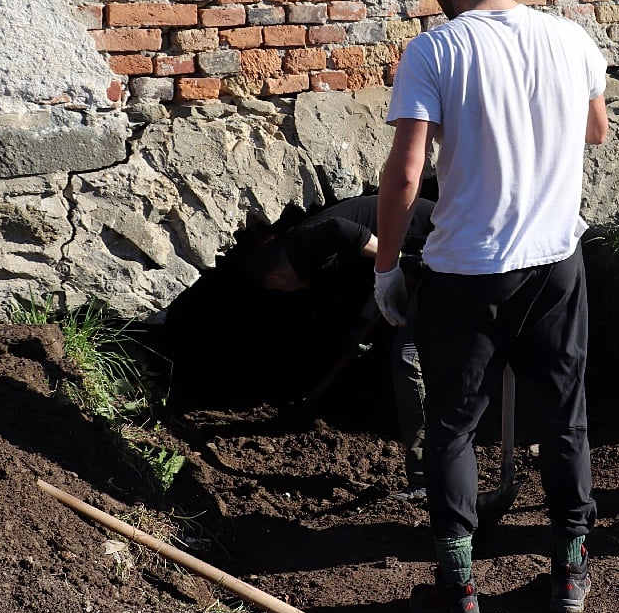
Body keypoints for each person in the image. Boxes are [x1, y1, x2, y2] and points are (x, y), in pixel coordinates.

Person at [371, 0, 610, 613]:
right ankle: (569, 572)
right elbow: (597, 130)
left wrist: (385, 268)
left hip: (469, 270)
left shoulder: (436, 51)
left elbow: (406, 175)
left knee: (451, 427)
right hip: (555, 261)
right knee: (564, 420)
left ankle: (461, 591)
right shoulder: (570, 38)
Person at [160, 194, 436, 496]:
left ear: (276, 276)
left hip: (434, 241)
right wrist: (360, 326)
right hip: (425, 245)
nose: (287, 292)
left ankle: (429, 476)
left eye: (279, 288)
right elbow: (377, 276)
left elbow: (342, 230)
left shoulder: (298, 248)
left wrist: (399, 260)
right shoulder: (311, 253)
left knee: (409, 358)